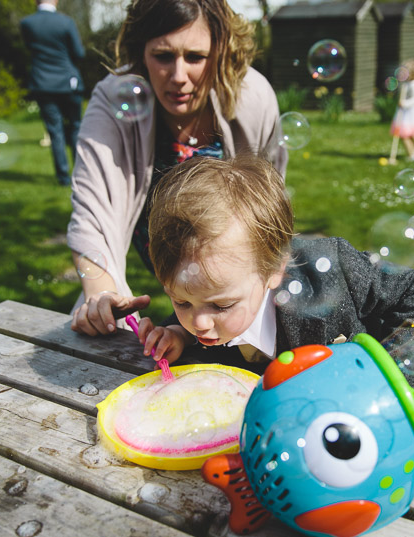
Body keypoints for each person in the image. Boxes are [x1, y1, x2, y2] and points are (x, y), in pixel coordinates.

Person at [68, 0, 287, 338]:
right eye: (163, 56)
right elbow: (92, 210)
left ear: (221, 50)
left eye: (196, 57)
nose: (179, 77)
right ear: (142, 53)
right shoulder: (113, 100)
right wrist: (101, 292)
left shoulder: (253, 98)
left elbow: (268, 214)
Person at [134, 154, 414, 396]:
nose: (198, 322)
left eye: (221, 305)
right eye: (180, 302)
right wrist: (178, 335)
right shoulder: (208, 307)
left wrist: (388, 372)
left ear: (274, 270)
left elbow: (412, 293)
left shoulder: (334, 270)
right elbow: (200, 312)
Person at [20, 0, 86, 186]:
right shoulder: (65, 22)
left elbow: (30, 49)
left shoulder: (27, 23)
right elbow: (79, 53)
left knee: (55, 131)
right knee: (75, 127)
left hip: (42, 83)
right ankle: (80, 175)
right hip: (68, 81)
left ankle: (63, 177)